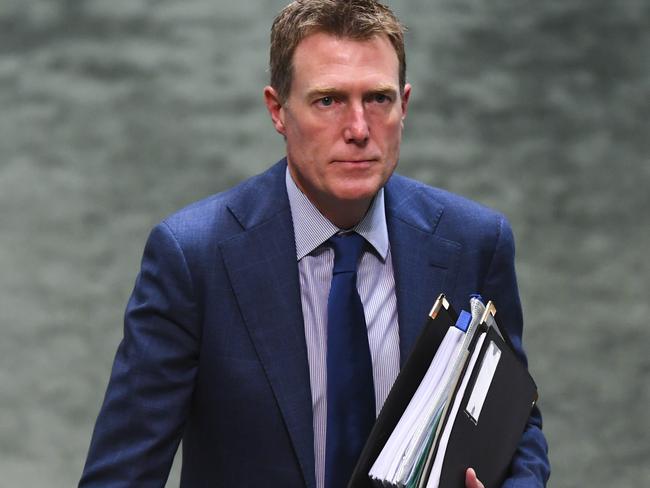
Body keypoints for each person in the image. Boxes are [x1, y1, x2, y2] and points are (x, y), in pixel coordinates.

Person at [79, 1, 550, 487]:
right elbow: (123, 474)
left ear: (404, 105)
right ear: (277, 110)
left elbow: (513, 423)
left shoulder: (474, 242)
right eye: (328, 100)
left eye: (378, 99)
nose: (358, 129)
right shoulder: (193, 259)